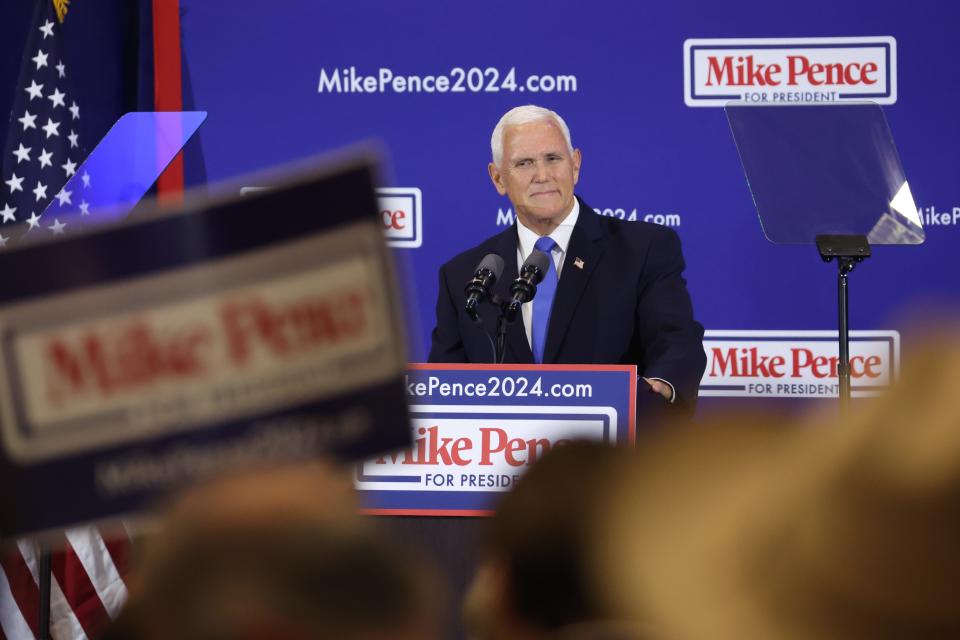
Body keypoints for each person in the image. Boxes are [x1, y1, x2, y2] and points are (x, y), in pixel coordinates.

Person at [428, 105, 705, 414]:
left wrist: (661, 388)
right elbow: (444, 382)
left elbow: (676, 340)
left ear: (575, 165)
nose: (542, 175)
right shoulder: (464, 275)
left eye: (553, 159)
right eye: (524, 163)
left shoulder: (642, 249)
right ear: (498, 178)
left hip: (614, 453)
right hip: (504, 456)